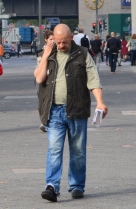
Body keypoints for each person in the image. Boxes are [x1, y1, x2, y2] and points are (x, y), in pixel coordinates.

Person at [34, 24, 108, 202]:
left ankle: (76, 186)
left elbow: (93, 80)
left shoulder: (82, 54)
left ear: (71, 39)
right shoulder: (48, 54)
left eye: (64, 42)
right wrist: (45, 55)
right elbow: (39, 78)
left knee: (78, 151)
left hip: (77, 110)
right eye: (57, 42)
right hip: (54, 111)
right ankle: (51, 186)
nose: (60, 46)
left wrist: (100, 102)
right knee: (54, 149)